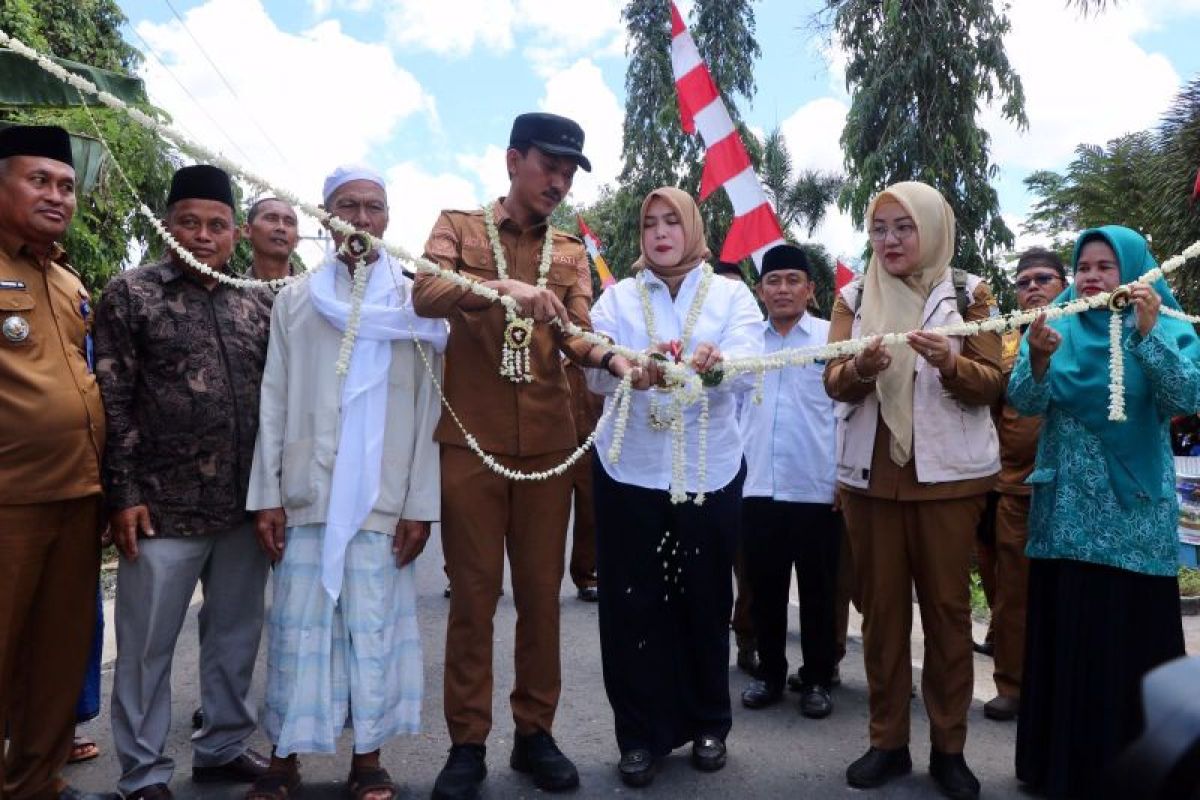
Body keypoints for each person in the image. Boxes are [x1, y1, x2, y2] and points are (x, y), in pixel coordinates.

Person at [415, 112, 621, 800]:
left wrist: (622, 361)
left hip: (548, 448)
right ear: (513, 160)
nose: (559, 182)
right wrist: (501, 289)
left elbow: (579, 335)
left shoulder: (569, 251)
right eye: (549, 167)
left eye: (569, 172)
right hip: (470, 443)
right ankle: (466, 745)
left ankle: (536, 734)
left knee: (541, 600)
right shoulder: (459, 227)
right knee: (473, 599)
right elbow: (425, 291)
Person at [244, 165, 447, 800]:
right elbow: (272, 399)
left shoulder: (414, 304)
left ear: (388, 219)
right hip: (308, 490)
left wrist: (419, 504)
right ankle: (284, 757)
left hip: (385, 498)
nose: (361, 219)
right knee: (298, 628)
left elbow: (426, 413)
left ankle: (368, 759)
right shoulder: (296, 299)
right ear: (327, 218)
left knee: (374, 626)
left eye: (374, 207)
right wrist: (268, 495)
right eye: (347, 207)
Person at [95, 164, 272, 800]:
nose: (203, 236)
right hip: (159, 509)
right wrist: (124, 494)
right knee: (145, 649)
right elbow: (112, 400)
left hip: (242, 507)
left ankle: (222, 747)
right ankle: (142, 772)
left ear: (235, 235)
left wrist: (272, 495)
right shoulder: (132, 293)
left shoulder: (257, 301)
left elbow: (274, 404)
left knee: (234, 637)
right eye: (189, 223)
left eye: (216, 225)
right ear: (168, 227)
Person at [823, 181, 1002, 800]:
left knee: (949, 618)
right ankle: (887, 742)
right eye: (880, 229)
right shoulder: (851, 294)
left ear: (932, 228)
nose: (891, 240)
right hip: (871, 479)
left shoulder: (970, 293)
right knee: (882, 618)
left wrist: (951, 365)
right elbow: (833, 381)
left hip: (947, 482)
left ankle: (949, 748)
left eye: (905, 227)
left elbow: (992, 383)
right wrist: (862, 368)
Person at [1011, 225, 1200, 799]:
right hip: (1066, 510)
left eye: (1107, 266)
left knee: (1129, 639)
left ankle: (1146, 772)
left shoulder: (1170, 326)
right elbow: (1022, 400)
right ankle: (1060, 769)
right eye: (1085, 265)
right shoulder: (1055, 325)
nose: (1093, 277)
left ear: (1136, 270)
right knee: (1071, 634)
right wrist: (1038, 361)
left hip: (1133, 515)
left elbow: (1187, 399)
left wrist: (1146, 335)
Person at [586, 186, 763, 788]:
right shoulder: (617, 298)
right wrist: (626, 369)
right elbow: (591, 369)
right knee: (633, 603)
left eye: (672, 222)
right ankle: (639, 737)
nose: (661, 233)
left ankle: (710, 721)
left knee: (705, 598)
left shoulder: (732, 294)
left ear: (693, 228)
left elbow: (748, 367)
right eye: (649, 224)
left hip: (709, 470)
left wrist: (717, 361)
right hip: (630, 468)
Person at [0, 124, 110, 800]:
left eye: (66, 185)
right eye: (38, 180)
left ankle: (36, 783)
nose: (56, 195)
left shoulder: (70, 280)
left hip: (77, 497)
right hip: (8, 500)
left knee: (57, 657)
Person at [738, 243, 841, 720]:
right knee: (764, 589)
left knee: (819, 590)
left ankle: (818, 677)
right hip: (756, 486)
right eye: (773, 281)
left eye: (792, 281)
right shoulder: (744, 344)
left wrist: (843, 478)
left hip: (817, 486)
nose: (782, 289)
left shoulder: (832, 339)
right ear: (760, 290)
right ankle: (769, 674)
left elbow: (848, 411)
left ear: (810, 290)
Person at [975, 247, 1066, 722]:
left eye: (1043, 278)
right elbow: (991, 413)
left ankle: (1063, 687)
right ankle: (1011, 684)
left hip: (1072, 491)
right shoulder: (1005, 342)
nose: (1032, 287)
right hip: (1013, 489)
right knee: (1011, 598)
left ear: (1062, 283)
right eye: (1024, 280)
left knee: (1068, 597)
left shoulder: (1084, 332)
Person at [712, 259, 758, 674]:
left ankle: (748, 641)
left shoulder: (753, 343)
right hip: (711, 470)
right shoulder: (696, 343)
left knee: (751, 569)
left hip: (759, 475)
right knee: (710, 568)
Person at [564, 358, 601, 602]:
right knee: (548, 521)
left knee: (590, 517)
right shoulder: (549, 356)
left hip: (592, 447)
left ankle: (586, 576)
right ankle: (542, 582)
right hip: (555, 449)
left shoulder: (595, 358)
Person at [242, 197, 299, 283]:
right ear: (247, 230)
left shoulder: (315, 292)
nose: (281, 227)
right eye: (271, 218)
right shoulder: (227, 292)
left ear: (297, 240)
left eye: (289, 222)